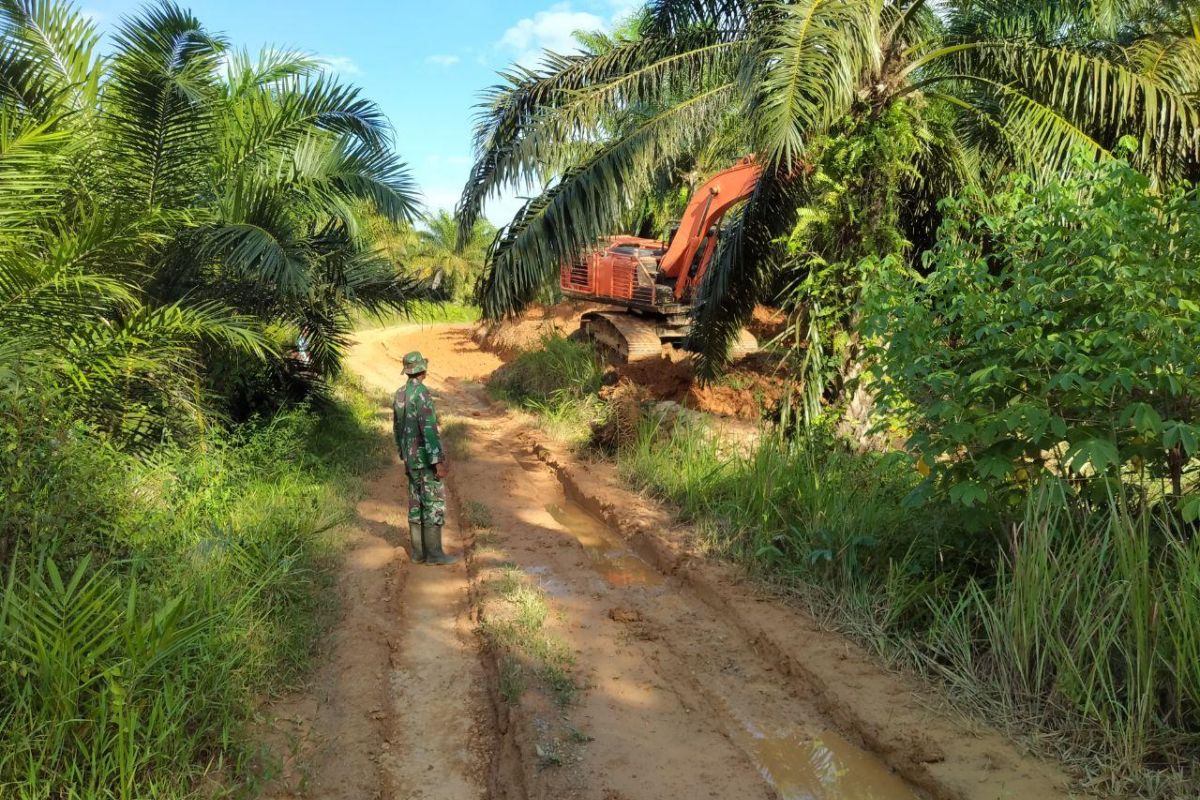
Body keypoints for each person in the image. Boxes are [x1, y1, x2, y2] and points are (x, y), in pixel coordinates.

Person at [392, 351, 454, 565]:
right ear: (422, 370)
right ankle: (435, 554)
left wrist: (404, 454)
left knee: (415, 503)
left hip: (410, 460)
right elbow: (428, 430)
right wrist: (437, 461)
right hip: (425, 460)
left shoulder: (399, 394)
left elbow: (397, 429)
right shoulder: (422, 394)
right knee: (433, 503)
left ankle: (418, 553)